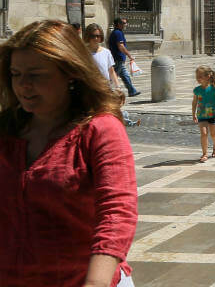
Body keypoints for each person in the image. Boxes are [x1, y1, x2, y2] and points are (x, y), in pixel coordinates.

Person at [0, 20, 138, 287]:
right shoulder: (6, 129)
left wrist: (95, 282)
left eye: (37, 75)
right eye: (16, 74)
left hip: (82, 279)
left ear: (70, 73)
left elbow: (117, 212)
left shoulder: (100, 129)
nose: (23, 85)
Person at [191, 65, 215, 162]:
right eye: (197, 76)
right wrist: (193, 114)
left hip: (213, 115)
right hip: (201, 115)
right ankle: (204, 154)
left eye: (200, 76)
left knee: (213, 134)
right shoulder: (197, 90)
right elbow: (194, 102)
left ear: (208, 76)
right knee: (204, 134)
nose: (198, 79)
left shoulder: (214, 88)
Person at [107, 17, 140, 97]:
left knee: (125, 75)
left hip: (119, 58)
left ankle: (132, 90)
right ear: (119, 24)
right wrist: (129, 55)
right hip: (118, 58)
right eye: (124, 23)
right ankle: (106, 92)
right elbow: (121, 46)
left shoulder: (117, 32)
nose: (126, 25)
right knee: (113, 76)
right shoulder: (118, 33)